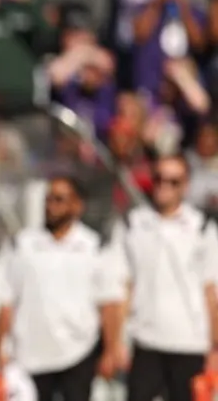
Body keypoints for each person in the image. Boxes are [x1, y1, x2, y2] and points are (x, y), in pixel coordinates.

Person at [0, 176, 122, 401]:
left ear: (77, 205)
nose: (51, 206)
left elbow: (109, 303)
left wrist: (111, 351)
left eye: (59, 199)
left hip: (79, 352)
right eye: (48, 199)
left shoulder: (94, 247)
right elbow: (6, 302)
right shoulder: (21, 245)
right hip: (29, 356)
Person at [105, 154, 218, 401]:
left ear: (185, 185)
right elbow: (123, 287)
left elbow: (211, 290)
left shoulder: (202, 227)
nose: (164, 186)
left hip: (191, 343)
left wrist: (215, 347)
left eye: (173, 181)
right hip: (146, 341)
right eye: (159, 179)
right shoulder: (132, 224)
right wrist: (115, 342)